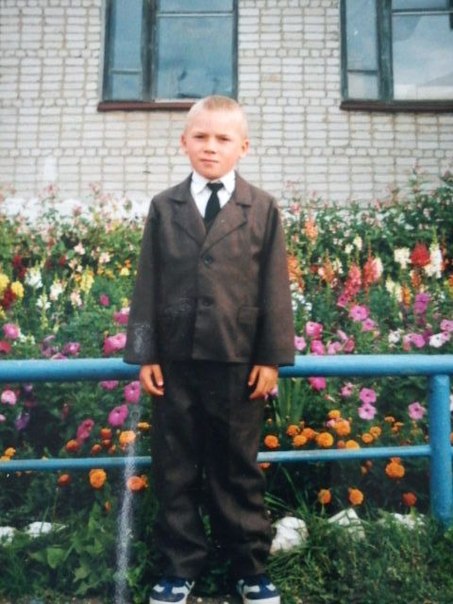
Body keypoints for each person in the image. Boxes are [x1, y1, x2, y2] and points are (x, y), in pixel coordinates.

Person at [124, 95, 295, 604]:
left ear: (244, 147)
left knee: (237, 467)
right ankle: (179, 567)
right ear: (184, 142)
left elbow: (275, 287)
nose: (211, 147)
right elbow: (148, 283)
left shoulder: (261, 208)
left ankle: (249, 567)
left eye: (223, 139)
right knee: (175, 466)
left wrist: (270, 358)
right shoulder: (165, 206)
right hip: (174, 363)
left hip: (237, 361)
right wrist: (146, 354)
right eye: (200, 136)